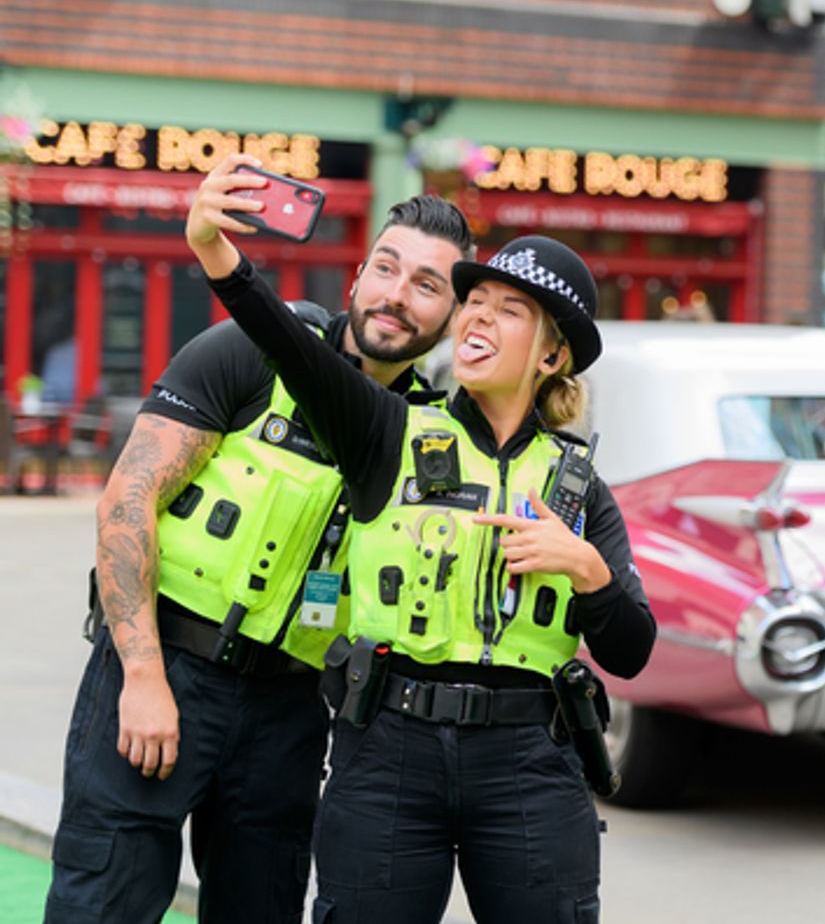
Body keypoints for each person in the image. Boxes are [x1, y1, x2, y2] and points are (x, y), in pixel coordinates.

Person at [187, 155, 655, 923]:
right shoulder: (386, 430)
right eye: (474, 301)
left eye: (509, 310)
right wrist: (218, 255)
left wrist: (588, 570)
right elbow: (289, 345)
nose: (476, 317)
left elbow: (632, 649)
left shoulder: (579, 487)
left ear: (552, 354)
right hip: (389, 756)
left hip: (531, 767)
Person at [45, 182, 475, 923]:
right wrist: (143, 675)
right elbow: (126, 499)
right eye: (385, 268)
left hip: (291, 711)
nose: (397, 295)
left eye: (427, 284)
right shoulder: (250, 350)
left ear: (452, 314)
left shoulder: (430, 439)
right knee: (103, 901)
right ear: (357, 276)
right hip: (163, 667)